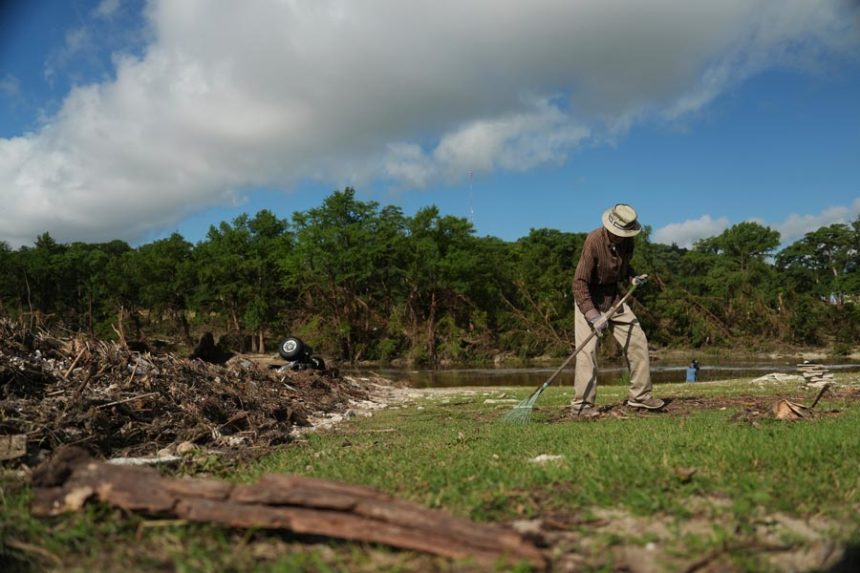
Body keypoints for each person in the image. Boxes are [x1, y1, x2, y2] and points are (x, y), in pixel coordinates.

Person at [571, 203, 665, 418]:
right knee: (587, 353)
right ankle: (582, 406)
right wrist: (593, 316)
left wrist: (633, 278)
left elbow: (623, 269)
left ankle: (640, 396)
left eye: (625, 233)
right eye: (618, 233)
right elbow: (579, 283)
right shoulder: (593, 241)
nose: (621, 237)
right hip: (588, 299)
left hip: (614, 299)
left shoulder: (627, 243)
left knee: (638, 341)